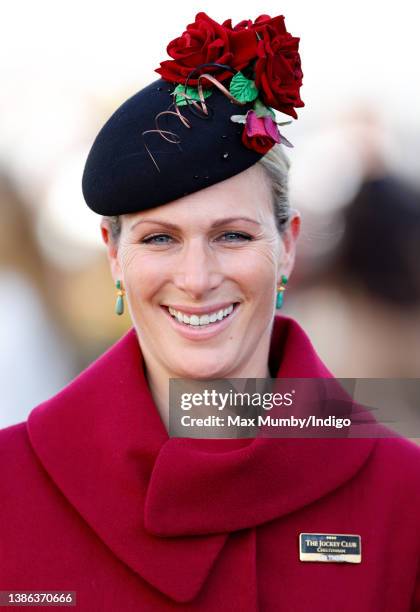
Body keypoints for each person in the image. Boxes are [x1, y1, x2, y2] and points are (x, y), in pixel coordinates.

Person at [1, 11, 420, 611]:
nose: (196, 280)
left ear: (290, 247)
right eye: (159, 239)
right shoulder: (9, 486)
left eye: (232, 236)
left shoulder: (404, 496)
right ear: (114, 257)